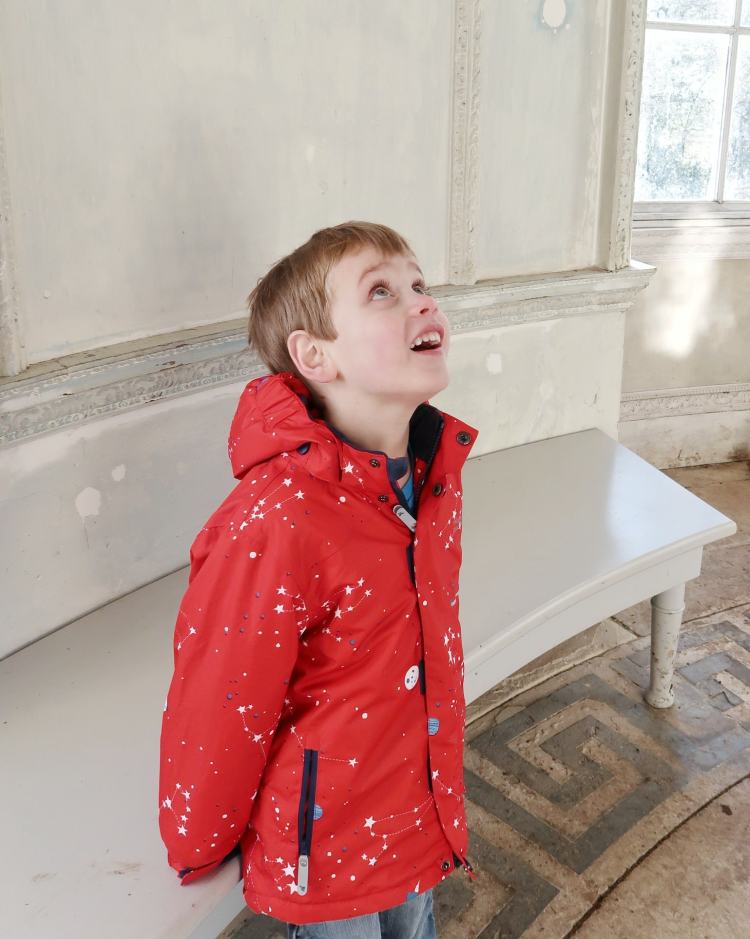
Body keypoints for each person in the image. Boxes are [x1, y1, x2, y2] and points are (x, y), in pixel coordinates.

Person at [158, 220, 479, 938]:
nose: (422, 302)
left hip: (413, 824)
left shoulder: (431, 480)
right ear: (315, 355)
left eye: (421, 284)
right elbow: (220, 699)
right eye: (382, 291)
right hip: (328, 859)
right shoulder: (277, 519)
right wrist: (196, 838)